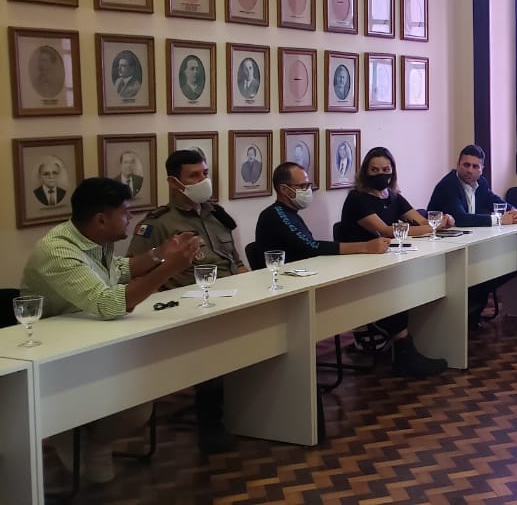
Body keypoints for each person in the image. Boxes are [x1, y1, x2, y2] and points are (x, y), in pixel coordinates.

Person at [21, 177, 202, 482]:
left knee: (138, 402)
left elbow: (119, 270)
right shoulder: (58, 251)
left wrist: (160, 253)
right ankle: (69, 428)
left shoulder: (93, 239)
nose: (130, 217)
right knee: (132, 404)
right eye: (125, 212)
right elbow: (108, 304)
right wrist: (170, 267)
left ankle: (91, 438)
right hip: (54, 354)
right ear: (101, 219)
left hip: (91, 335)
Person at [127, 149, 247, 454]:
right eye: (194, 176)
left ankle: (254, 409)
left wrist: (254, 284)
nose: (203, 180)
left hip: (232, 296)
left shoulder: (217, 215)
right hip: (191, 306)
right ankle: (211, 424)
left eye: (204, 173)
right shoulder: (157, 224)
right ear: (173, 182)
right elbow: (134, 271)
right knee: (213, 344)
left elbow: (235, 261)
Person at [336, 147, 452, 377]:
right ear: (365, 172)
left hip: (386, 260)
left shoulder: (392, 195)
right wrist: (431, 228)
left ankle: (405, 349)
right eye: (375, 170)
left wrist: (443, 220)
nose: (381, 175)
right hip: (360, 264)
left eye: (386, 170)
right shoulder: (357, 199)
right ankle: (404, 354)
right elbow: (386, 231)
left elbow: (419, 220)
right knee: (396, 292)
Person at [427, 144, 517, 327]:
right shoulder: (448, 186)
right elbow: (461, 218)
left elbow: (494, 200)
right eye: (466, 165)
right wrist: (499, 220)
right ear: (458, 164)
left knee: (512, 264)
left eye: (475, 166)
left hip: (471, 243)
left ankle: (472, 310)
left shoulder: (482, 184)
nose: (469, 170)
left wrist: (513, 210)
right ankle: (467, 313)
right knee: (483, 274)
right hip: (444, 248)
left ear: (481, 169)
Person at [255, 162, 390, 263]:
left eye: (308, 185)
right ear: (284, 189)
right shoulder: (275, 215)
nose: (308, 190)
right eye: (302, 186)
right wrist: (365, 247)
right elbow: (311, 247)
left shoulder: (291, 213)